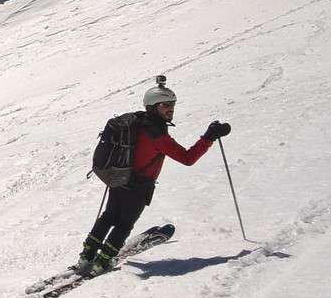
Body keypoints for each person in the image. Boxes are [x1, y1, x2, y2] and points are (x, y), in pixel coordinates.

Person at [77, 78, 230, 275]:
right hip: (138, 186)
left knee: (109, 217)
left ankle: (87, 255)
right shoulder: (157, 135)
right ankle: (104, 260)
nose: (170, 109)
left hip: (119, 178)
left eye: (172, 105)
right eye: (165, 105)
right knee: (124, 223)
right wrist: (209, 137)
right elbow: (187, 158)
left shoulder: (137, 122)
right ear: (153, 107)